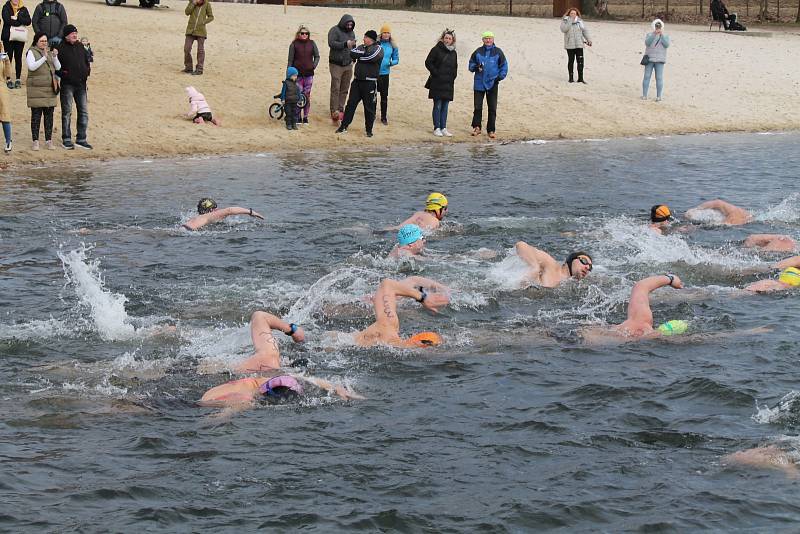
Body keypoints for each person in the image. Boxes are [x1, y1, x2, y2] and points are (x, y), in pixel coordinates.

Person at [200, 311, 362, 405]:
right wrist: (336, 388)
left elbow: (259, 316)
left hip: (202, 366)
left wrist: (292, 330)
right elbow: (304, 379)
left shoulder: (268, 359)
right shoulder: (252, 389)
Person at [581, 274, 685, 343]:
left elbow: (641, 286)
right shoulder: (641, 324)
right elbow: (641, 287)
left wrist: (670, 279)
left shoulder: (633, 324)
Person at [352, 276, 450, 348]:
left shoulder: (387, 328)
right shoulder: (390, 343)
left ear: (417, 341)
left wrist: (423, 298)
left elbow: (387, 284)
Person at [335, 30, 383, 137]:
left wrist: (359, 56)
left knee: (369, 108)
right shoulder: (361, 47)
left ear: (371, 39)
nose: (363, 39)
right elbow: (352, 53)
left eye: (365, 37)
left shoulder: (378, 48)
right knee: (350, 105)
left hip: (370, 82)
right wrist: (361, 54)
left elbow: (371, 57)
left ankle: (369, 130)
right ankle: (343, 126)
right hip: (357, 82)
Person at [468, 30, 507, 139]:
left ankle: (491, 130)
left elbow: (504, 66)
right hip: (479, 83)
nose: (488, 40)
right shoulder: (478, 51)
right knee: (477, 107)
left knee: (492, 107)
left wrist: (499, 78)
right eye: (486, 38)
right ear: (483, 40)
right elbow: (470, 65)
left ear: (493, 39)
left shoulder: (498, 52)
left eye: (490, 38)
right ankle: (476, 127)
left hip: (493, 83)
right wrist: (476, 67)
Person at [57, 24, 90, 150]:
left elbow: (87, 61)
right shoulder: (60, 48)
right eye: (72, 33)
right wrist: (64, 74)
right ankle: (66, 138)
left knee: (83, 111)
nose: (75, 35)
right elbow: (56, 67)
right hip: (67, 85)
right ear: (66, 35)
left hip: (81, 84)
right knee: (67, 112)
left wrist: (87, 72)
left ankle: (81, 138)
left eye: (76, 33)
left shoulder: (80, 46)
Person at [26, 31, 59, 150]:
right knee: (36, 116)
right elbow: (31, 66)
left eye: (45, 41)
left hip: (49, 88)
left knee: (49, 116)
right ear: (36, 41)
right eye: (42, 41)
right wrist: (44, 57)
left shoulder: (49, 52)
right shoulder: (31, 51)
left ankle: (48, 141)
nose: (44, 43)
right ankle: (35, 141)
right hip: (36, 89)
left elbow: (58, 67)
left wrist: (54, 57)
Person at [515, 242, 593, 287]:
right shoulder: (551, 264)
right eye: (584, 261)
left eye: (590, 267)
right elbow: (521, 245)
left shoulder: (573, 286)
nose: (587, 267)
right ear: (571, 259)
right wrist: (534, 266)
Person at [425, 29, 457, 137]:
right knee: (437, 105)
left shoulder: (454, 52)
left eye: (449, 38)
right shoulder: (436, 49)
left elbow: (455, 67)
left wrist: (453, 77)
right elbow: (428, 62)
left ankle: (443, 127)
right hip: (437, 81)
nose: (447, 40)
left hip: (448, 83)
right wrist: (436, 73)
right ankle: (436, 127)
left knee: (445, 106)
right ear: (442, 38)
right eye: (446, 38)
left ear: (452, 40)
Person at [287, 24, 319, 125]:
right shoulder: (294, 44)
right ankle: (297, 117)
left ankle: (305, 117)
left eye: (306, 33)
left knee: (306, 96)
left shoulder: (312, 43)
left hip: (309, 74)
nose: (304, 35)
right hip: (297, 75)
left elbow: (317, 56)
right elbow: (290, 60)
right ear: (298, 34)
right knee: (298, 95)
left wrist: (313, 66)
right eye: (302, 33)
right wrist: (288, 73)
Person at [327, 14, 355, 125]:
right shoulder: (334, 30)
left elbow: (352, 46)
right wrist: (345, 44)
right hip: (336, 64)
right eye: (347, 24)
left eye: (351, 24)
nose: (349, 26)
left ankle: (340, 107)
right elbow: (331, 43)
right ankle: (334, 110)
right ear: (343, 22)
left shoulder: (351, 32)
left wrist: (354, 58)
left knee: (345, 87)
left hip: (348, 64)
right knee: (335, 87)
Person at [182, 198, 265, 231]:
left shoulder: (197, 218)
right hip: (186, 231)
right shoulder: (209, 216)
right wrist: (251, 212)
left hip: (183, 229)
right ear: (211, 210)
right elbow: (230, 210)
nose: (218, 210)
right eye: (216, 208)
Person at [2, 0, 32, 89]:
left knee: (18, 57)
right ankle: (8, 79)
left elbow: (28, 21)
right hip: (8, 37)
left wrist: (18, 18)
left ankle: (18, 79)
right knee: (8, 58)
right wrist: (19, 22)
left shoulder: (24, 9)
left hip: (20, 37)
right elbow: (7, 20)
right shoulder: (6, 7)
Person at [560, 8, 592, 84]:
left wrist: (588, 40)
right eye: (571, 13)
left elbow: (585, 31)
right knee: (571, 61)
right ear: (569, 14)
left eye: (574, 13)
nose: (573, 15)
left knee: (580, 61)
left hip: (579, 44)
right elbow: (564, 29)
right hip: (570, 45)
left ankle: (580, 78)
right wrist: (570, 20)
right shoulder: (565, 20)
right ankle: (571, 78)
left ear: (577, 14)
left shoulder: (580, 21)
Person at [641, 19, 670, 102]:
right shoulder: (649, 34)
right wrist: (654, 34)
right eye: (656, 26)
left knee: (659, 78)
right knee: (646, 76)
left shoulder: (665, 36)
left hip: (660, 60)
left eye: (659, 26)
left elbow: (667, 45)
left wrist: (662, 35)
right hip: (649, 59)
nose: (657, 28)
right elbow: (647, 43)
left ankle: (658, 96)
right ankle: (644, 95)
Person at [376, 23, 398, 126]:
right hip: (375, 72)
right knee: (373, 95)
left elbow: (396, 59)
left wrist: (391, 63)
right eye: (384, 32)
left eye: (388, 32)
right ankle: (371, 114)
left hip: (385, 73)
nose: (386, 34)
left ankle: (383, 117)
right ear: (381, 34)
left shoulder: (393, 46)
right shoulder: (376, 43)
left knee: (384, 96)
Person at [183, 0, 213, 76]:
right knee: (187, 48)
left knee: (200, 50)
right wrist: (193, 3)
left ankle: (199, 69)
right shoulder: (191, 2)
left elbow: (211, 17)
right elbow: (187, 12)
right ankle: (188, 67)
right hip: (190, 30)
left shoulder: (207, 4)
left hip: (201, 31)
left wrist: (203, 22)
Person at [685, 199, 752, 225]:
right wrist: (697, 209)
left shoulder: (735, 214)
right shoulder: (740, 214)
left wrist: (696, 209)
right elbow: (717, 202)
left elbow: (717, 202)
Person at [280, 67, 300, 131]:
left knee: (294, 113)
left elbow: (298, 91)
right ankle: (288, 124)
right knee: (288, 113)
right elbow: (283, 92)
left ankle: (294, 123)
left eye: (296, 76)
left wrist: (299, 98)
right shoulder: (286, 83)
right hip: (288, 102)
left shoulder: (296, 83)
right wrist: (283, 99)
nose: (296, 77)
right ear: (290, 76)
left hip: (295, 101)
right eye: (294, 76)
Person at [0, 46, 11, 152]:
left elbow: (8, 75)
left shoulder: (2, 55)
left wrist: (6, 60)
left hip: (2, 88)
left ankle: (8, 141)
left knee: (5, 115)